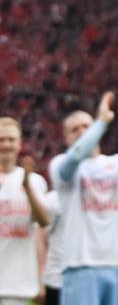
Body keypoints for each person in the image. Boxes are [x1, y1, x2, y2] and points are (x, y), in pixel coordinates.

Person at [51, 76, 118, 305]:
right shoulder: (61, 165)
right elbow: (76, 155)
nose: (81, 132)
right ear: (66, 138)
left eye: (85, 126)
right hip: (80, 265)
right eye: (74, 130)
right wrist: (100, 122)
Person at [0, 117, 52, 305]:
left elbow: (44, 221)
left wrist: (27, 188)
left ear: (19, 144)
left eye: (11, 139)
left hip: (17, 283)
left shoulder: (35, 181)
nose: (6, 144)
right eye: (1, 139)